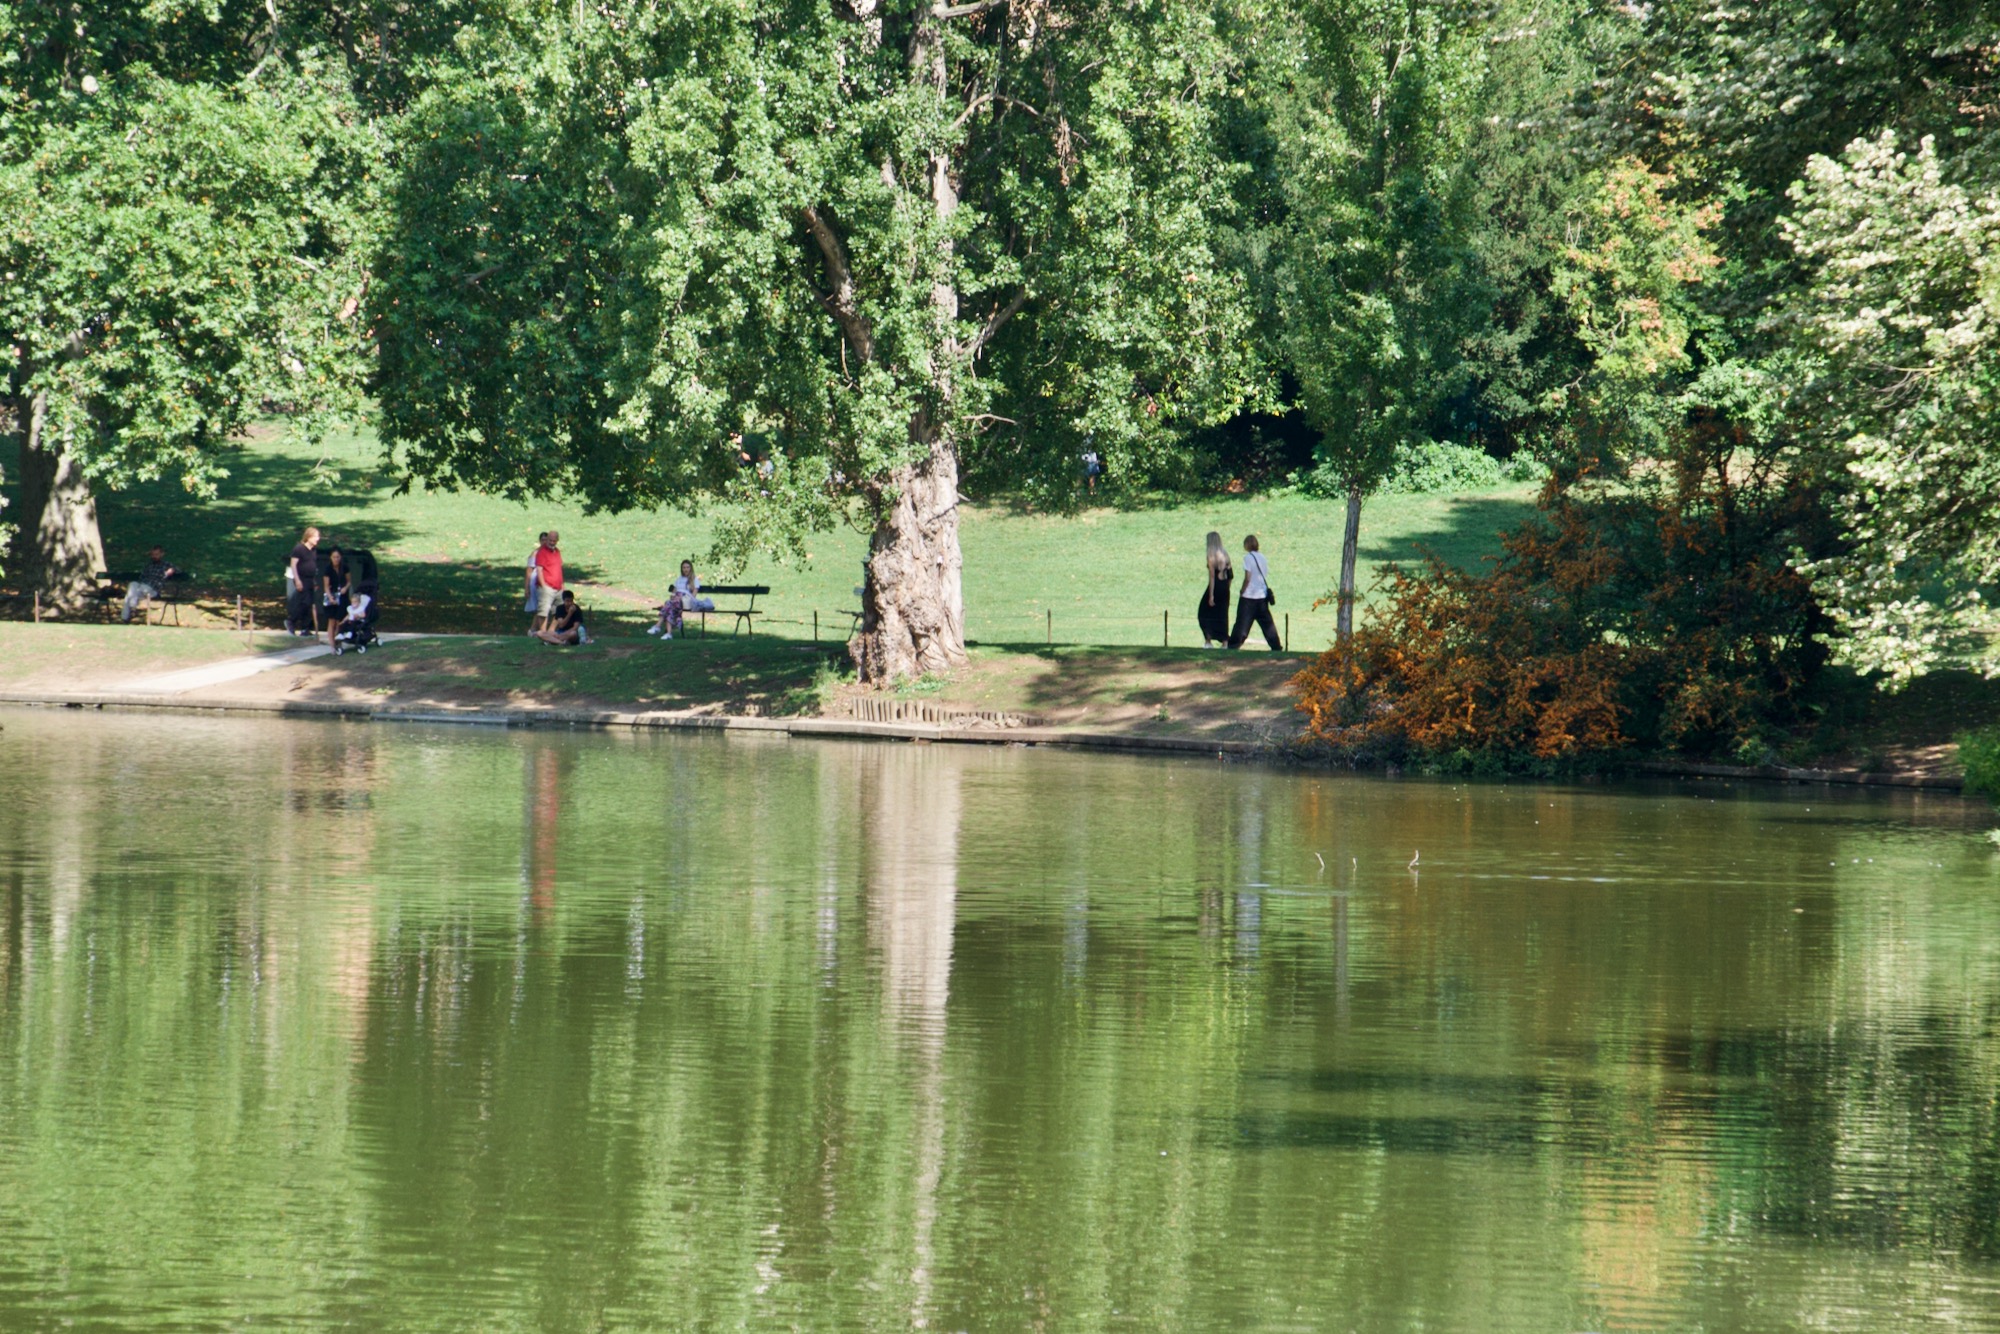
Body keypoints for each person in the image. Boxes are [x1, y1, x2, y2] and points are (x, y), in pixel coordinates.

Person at [1228, 533, 1282, 651]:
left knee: (1242, 623)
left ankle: (1234, 645)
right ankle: (1276, 645)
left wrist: (1242, 590)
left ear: (1246, 545)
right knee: (1267, 623)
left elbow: (1248, 577)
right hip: (1261, 595)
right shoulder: (1262, 557)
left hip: (1249, 596)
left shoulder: (1248, 558)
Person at [648, 559, 715, 638]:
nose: (686, 569)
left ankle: (658, 626)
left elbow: (693, 595)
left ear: (691, 568)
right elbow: (674, 592)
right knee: (669, 605)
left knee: (669, 604)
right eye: (684, 567)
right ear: (682, 569)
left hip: (686, 601)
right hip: (676, 601)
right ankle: (668, 634)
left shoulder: (694, 580)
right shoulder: (679, 579)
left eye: (687, 567)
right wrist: (673, 596)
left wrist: (682, 598)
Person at [120, 546, 177, 623]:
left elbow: (177, 569)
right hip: (142, 588)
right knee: (132, 586)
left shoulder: (166, 564)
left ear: (162, 554)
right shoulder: (149, 565)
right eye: (153, 554)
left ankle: (130, 611)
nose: (154, 556)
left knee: (133, 594)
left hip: (154, 590)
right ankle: (127, 616)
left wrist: (171, 570)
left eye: (156, 554)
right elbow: (142, 577)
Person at [1196, 531, 1233, 648]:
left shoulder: (1211, 556)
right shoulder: (1225, 555)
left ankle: (1208, 640)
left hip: (1215, 587)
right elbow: (1231, 574)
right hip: (1225, 587)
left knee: (1203, 612)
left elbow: (1212, 577)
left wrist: (1211, 595)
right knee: (1222, 614)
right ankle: (1225, 642)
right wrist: (1227, 586)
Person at [285, 527, 321, 635]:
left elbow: (313, 565)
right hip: (301, 578)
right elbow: (293, 565)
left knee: (309, 603)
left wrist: (314, 581)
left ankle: (305, 628)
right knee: (303, 602)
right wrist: (297, 580)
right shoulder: (299, 549)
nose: (317, 539)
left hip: (310, 579)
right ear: (309, 537)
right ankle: (291, 621)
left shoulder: (314, 550)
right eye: (315, 536)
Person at [528, 530, 564, 634]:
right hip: (546, 587)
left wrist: (562, 585)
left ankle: (551, 631)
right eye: (550, 540)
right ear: (546, 540)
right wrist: (543, 586)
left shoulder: (557, 552)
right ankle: (543, 633)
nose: (551, 542)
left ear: (557, 541)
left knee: (559, 611)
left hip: (558, 587)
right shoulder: (542, 552)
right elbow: (539, 569)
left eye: (554, 540)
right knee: (543, 611)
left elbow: (559, 569)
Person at [524, 531, 547, 621]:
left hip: (548, 581)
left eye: (546, 539)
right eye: (543, 540)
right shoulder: (535, 553)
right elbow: (529, 571)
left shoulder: (552, 552)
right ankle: (537, 629)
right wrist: (527, 588)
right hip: (536, 582)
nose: (544, 542)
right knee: (539, 608)